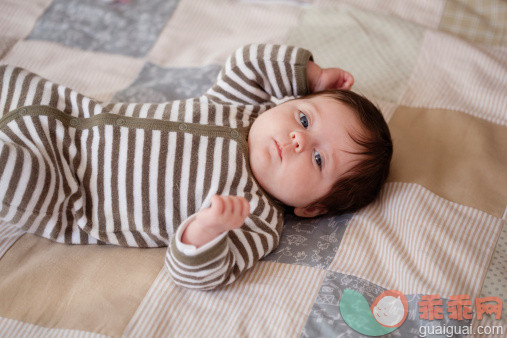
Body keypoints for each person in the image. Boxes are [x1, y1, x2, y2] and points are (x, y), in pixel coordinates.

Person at [0, 44, 392, 290]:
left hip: (67, 191)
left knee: (10, 172)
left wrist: (205, 230)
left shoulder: (256, 220)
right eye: (304, 119)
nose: (298, 139)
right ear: (286, 103)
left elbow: (197, 273)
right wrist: (311, 75)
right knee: (14, 84)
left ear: (313, 208)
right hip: (69, 115)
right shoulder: (240, 105)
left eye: (318, 159)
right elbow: (247, 63)